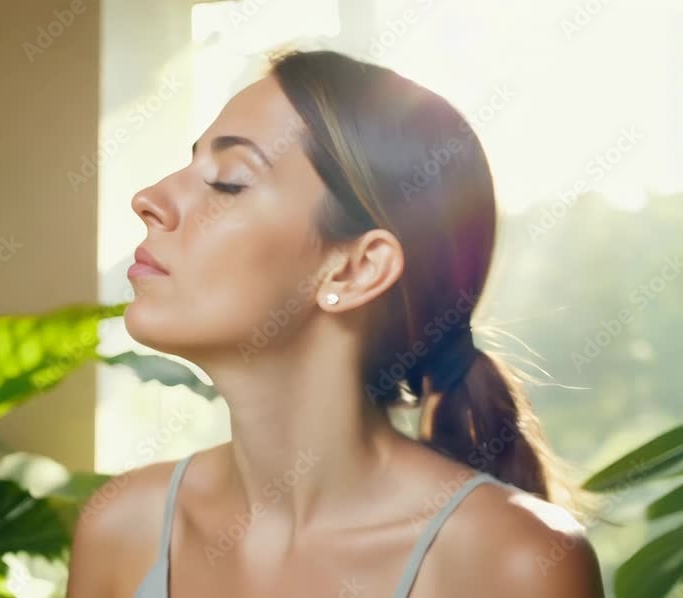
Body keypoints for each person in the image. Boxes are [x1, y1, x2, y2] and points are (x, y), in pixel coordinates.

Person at [67, 49, 605, 597]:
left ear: (355, 269)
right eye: (190, 166)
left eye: (227, 182)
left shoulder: (510, 561)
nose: (149, 198)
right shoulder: (124, 527)